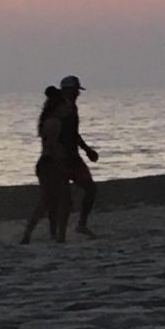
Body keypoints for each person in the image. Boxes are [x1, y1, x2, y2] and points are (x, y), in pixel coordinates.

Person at [21, 86, 73, 244]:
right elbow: (50, 146)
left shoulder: (48, 121)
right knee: (61, 200)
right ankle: (59, 235)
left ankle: (31, 234)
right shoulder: (54, 122)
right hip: (51, 165)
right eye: (65, 106)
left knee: (49, 201)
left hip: (48, 164)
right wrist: (59, 163)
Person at [59, 75, 100, 237]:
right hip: (65, 157)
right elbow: (67, 133)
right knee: (65, 196)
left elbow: (73, 134)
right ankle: (67, 228)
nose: (78, 94)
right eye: (76, 90)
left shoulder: (70, 107)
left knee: (89, 189)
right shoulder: (63, 109)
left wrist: (86, 149)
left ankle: (79, 225)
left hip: (72, 156)